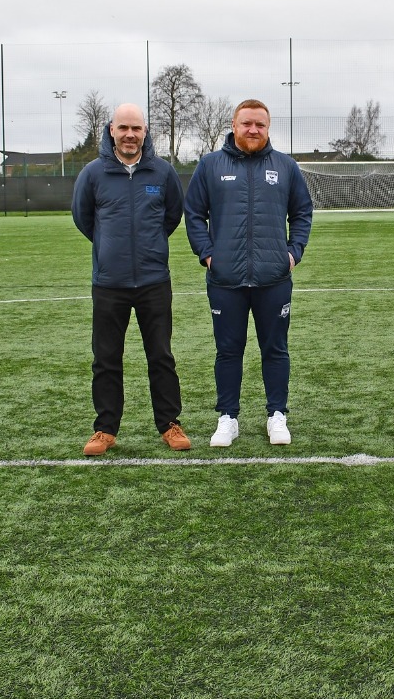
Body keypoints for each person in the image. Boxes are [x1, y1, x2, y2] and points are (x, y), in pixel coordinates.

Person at [184, 99, 313, 447]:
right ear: (234, 125)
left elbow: (302, 212)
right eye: (247, 123)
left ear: (268, 128)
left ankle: (277, 415)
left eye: (260, 124)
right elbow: (193, 213)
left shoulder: (285, 166)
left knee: (276, 349)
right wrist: (207, 254)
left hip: (274, 279)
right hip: (225, 280)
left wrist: (293, 252)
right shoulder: (210, 165)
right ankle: (228, 417)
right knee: (228, 351)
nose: (253, 130)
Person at [72, 103, 190, 455]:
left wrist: (149, 247)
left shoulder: (163, 173)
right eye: (123, 128)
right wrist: (110, 246)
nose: (129, 135)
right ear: (111, 130)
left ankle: (169, 424)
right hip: (109, 283)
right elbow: (83, 218)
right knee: (106, 358)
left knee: (161, 356)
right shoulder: (93, 174)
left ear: (145, 132)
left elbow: (172, 216)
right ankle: (105, 429)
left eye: (136, 129)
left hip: (154, 281)